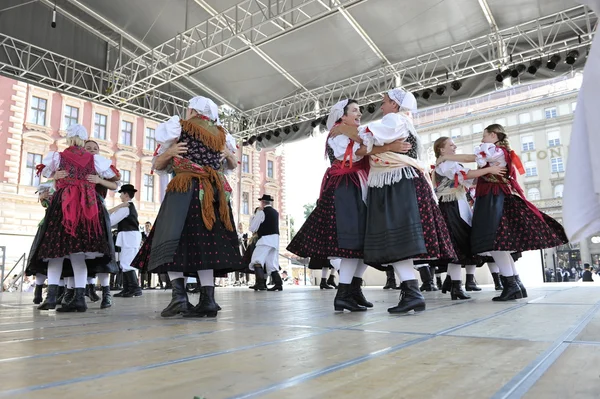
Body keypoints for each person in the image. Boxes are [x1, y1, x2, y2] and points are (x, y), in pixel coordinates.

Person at [288, 98, 411, 312]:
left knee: (363, 243)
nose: (360, 113)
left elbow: (366, 143)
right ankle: (344, 293)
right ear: (342, 116)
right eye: (354, 110)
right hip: (346, 186)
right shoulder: (337, 133)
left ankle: (352, 290)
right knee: (351, 242)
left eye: (360, 110)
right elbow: (357, 153)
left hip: (359, 184)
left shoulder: (351, 131)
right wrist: (390, 146)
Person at [131, 95, 242, 318]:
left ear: (192, 110)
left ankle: (179, 298)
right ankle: (208, 300)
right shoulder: (222, 135)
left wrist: (170, 153)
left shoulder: (178, 127)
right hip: (214, 193)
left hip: (185, 189)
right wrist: (229, 155)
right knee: (206, 243)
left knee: (171, 240)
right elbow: (231, 164)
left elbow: (158, 165)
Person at [438, 124, 568, 300]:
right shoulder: (500, 151)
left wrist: (444, 156)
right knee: (499, 241)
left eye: (484, 136)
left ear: (493, 135)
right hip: (495, 194)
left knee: (495, 240)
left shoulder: (492, 149)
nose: (482, 139)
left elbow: (472, 159)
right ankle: (515, 284)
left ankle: (511, 284)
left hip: (492, 196)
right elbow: (473, 173)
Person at [357, 89, 456, 313]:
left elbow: (362, 141)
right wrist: (386, 147)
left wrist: (344, 130)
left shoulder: (394, 119)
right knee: (399, 240)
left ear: (394, 104)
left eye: (384, 102)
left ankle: (412, 293)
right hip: (402, 181)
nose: (381, 107)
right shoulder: (406, 122)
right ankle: (412, 292)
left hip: (396, 183)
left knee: (395, 236)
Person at [27, 124, 118, 312]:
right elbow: (115, 177)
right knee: (78, 255)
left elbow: (43, 173)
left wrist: (55, 176)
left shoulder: (57, 157)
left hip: (64, 204)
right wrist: (96, 180)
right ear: (83, 140)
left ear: (68, 138)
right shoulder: (95, 159)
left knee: (55, 253)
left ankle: (51, 297)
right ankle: (79, 299)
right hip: (86, 206)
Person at [432, 136, 506, 300]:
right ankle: (456, 287)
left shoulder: (447, 164)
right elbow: (467, 175)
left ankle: (454, 285)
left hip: (455, 204)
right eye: (450, 145)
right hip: (452, 206)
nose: (454, 146)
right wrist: (489, 170)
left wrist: (487, 172)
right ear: (441, 150)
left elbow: (469, 179)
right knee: (457, 245)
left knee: (456, 246)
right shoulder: (447, 164)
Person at [109, 184, 143, 298]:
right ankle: (128, 288)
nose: (120, 196)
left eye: (121, 194)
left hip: (129, 237)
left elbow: (111, 221)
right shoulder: (127, 207)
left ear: (126, 195)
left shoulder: (125, 207)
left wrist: (115, 208)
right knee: (124, 263)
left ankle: (134, 288)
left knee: (126, 263)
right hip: (128, 236)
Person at [249, 194, 283, 291]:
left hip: (265, 239)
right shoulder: (275, 212)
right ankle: (278, 284)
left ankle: (260, 284)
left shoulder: (262, 212)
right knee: (271, 262)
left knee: (256, 260)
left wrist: (253, 218)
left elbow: (253, 227)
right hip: (275, 239)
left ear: (263, 202)